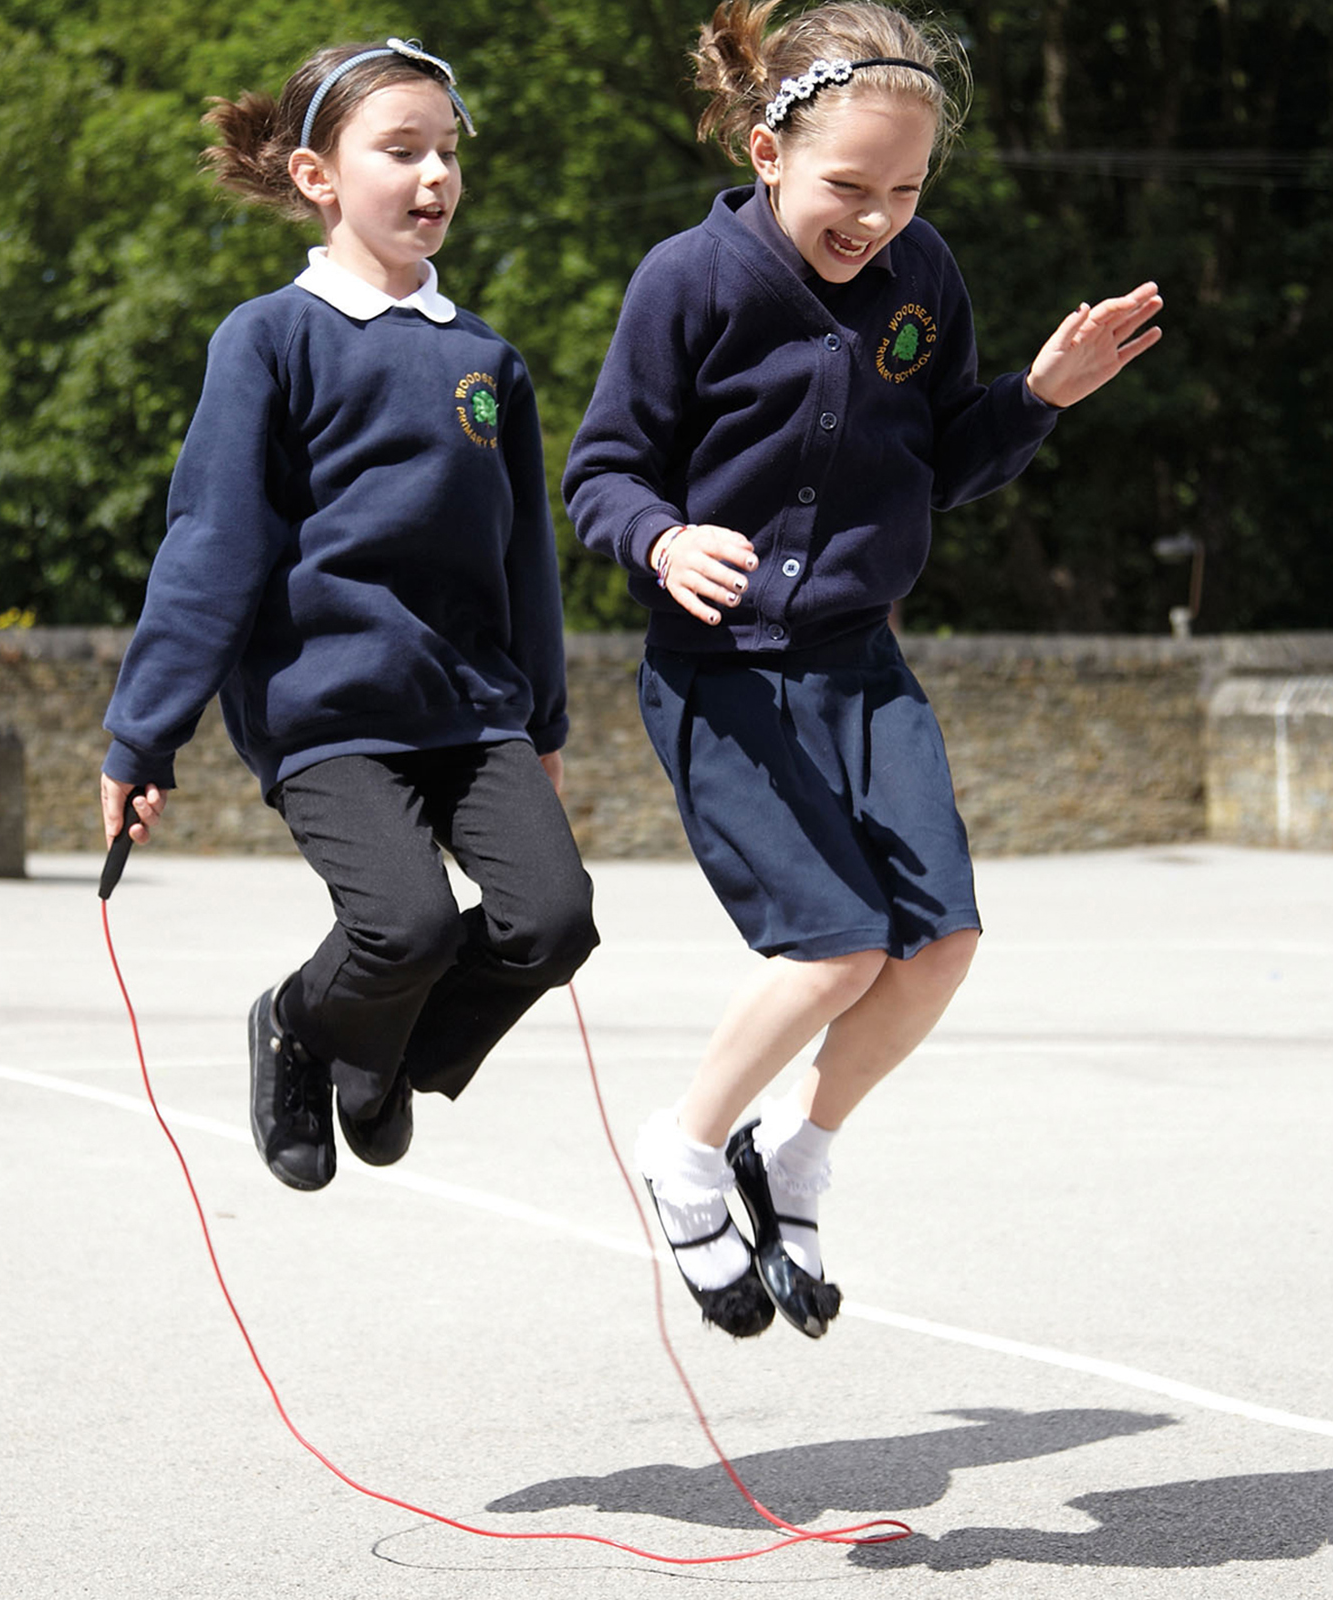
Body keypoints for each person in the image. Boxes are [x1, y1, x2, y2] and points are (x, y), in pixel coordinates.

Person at [565, 0, 1161, 1339]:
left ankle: (795, 1153)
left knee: (940, 943)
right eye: (849, 187)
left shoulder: (922, 273)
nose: (879, 219)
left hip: (861, 668)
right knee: (836, 947)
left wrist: (1038, 398)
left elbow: (943, 461)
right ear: (767, 150)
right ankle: (684, 1147)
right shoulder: (687, 281)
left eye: (907, 190)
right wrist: (662, 540)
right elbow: (601, 471)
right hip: (723, 679)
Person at [101, 38, 598, 1193]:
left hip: (473, 712)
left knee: (553, 922)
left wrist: (545, 720)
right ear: (317, 176)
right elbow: (213, 545)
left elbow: (523, 554)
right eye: (402, 150)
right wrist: (142, 734)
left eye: (448, 152)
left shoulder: (487, 359)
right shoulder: (271, 338)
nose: (435, 176)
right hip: (328, 717)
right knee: (406, 927)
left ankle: (376, 1049)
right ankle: (297, 1021)